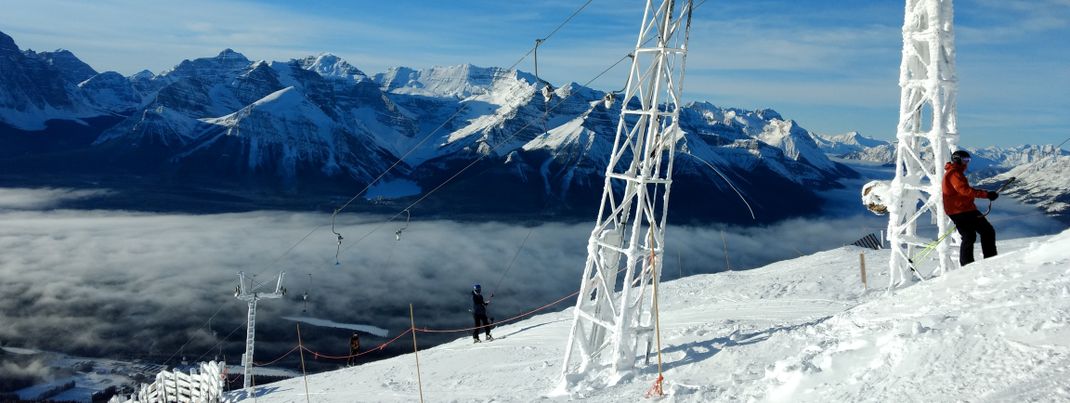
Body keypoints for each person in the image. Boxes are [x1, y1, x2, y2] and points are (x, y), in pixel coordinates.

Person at [943, 150, 999, 266]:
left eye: (968, 160)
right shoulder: (954, 173)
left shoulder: (956, 172)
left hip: (965, 209)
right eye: (965, 160)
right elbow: (965, 191)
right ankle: (969, 264)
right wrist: (986, 194)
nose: (967, 163)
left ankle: (986, 261)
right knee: (973, 235)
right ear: (957, 160)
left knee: (982, 232)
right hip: (959, 210)